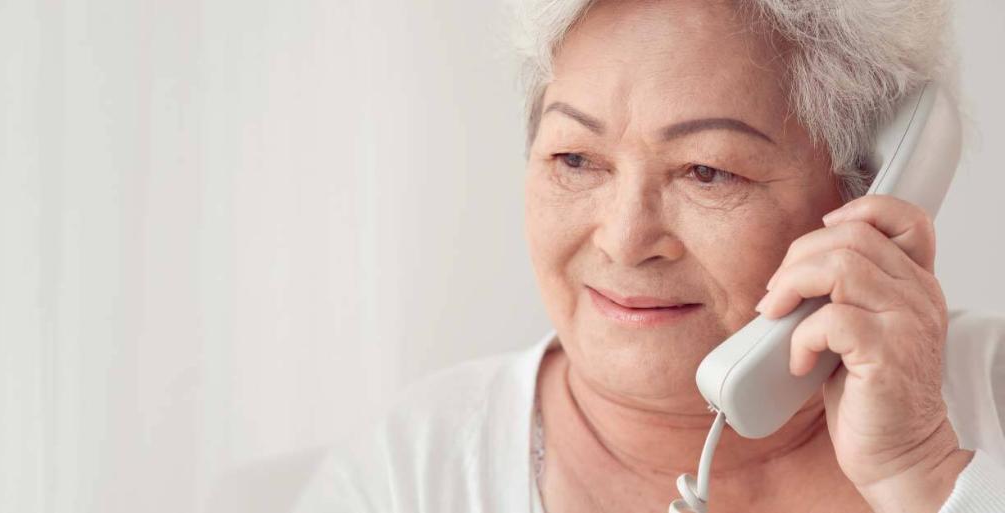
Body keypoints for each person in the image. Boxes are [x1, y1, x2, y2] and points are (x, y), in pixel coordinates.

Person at [302, 0, 1005, 511]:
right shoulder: (414, 469)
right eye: (575, 158)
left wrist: (926, 473)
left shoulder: (991, 394)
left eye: (706, 171)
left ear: (866, 189)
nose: (623, 238)